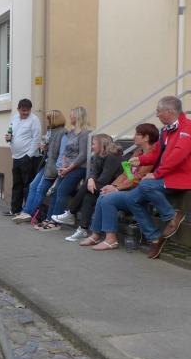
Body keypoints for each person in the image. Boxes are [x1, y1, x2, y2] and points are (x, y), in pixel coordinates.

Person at [81, 97, 190, 257]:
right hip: (165, 178)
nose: (157, 114)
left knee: (145, 185)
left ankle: (172, 216)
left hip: (180, 178)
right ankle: (154, 238)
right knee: (125, 198)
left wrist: (156, 174)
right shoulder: (165, 131)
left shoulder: (187, 128)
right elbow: (157, 154)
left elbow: (177, 156)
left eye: (159, 111)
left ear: (169, 111)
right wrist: (141, 159)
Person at [80, 123, 159, 248]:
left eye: (137, 134)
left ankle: (111, 239)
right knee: (104, 194)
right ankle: (95, 235)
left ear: (146, 138)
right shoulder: (138, 152)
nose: (133, 137)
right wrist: (112, 186)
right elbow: (126, 173)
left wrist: (116, 188)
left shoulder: (152, 155)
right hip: (129, 189)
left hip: (140, 193)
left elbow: (138, 178)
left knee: (108, 199)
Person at [60, 134, 124, 242]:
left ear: (102, 144)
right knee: (88, 196)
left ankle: (71, 213)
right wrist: (90, 179)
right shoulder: (98, 155)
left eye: (93, 144)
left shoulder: (113, 157)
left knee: (87, 186)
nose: (92, 147)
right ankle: (82, 229)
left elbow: (105, 179)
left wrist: (90, 181)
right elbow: (93, 172)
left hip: (114, 188)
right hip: (102, 186)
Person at [38, 106, 92, 230]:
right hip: (66, 167)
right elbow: (65, 152)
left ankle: (56, 222)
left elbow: (83, 155)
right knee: (56, 191)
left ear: (78, 116)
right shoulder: (71, 132)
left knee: (62, 191)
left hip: (79, 168)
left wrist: (68, 169)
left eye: (72, 115)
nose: (70, 117)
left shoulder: (85, 134)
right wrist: (62, 167)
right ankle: (49, 218)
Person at [12, 110, 67, 223]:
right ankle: (26, 212)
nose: (48, 121)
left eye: (49, 119)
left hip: (53, 167)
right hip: (46, 164)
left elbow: (62, 152)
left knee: (40, 189)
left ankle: (30, 213)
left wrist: (59, 168)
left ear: (55, 119)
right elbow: (50, 149)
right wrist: (44, 148)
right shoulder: (51, 131)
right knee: (33, 186)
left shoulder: (63, 133)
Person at [3, 98, 42, 216]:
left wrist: (28, 155)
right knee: (17, 184)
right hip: (16, 156)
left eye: (28, 110)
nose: (25, 113)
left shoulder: (34, 120)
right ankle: (15, 209)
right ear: (18, 109)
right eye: (23, 110)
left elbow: (36, 139)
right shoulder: (14, 118)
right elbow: (11, 133)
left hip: (28, 158)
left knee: (27, 185)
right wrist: (8, 138)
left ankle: (27, 211)